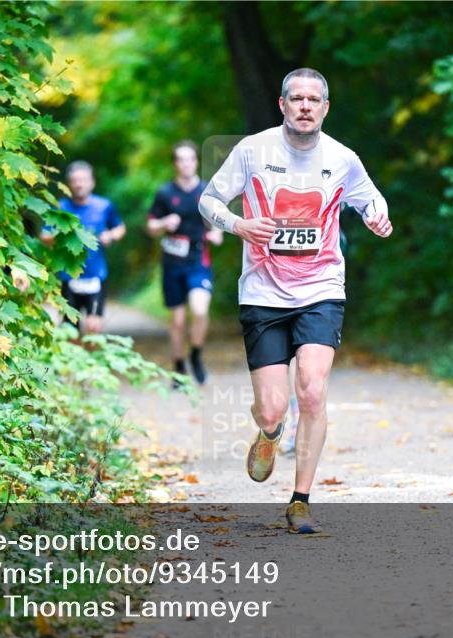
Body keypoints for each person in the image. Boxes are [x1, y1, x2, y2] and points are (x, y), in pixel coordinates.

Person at [199, 67, 392, 533]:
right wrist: (239, 225)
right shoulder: (252, 151)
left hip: (322, 289)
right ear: (282, 105)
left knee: (312, 388)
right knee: (272, 407)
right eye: (296, 98)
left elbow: (371, 199)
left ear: (325, 108)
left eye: (314, 100)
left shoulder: (343, 159)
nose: (305, 106)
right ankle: (269, 432)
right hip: (263, 292)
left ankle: (300, 501)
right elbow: (209, 201)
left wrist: (376, 213)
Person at [147, 140, 223, 384]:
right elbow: (150, 226)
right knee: (178, 321)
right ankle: (179, 366)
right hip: (172, 263)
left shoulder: (206, 190)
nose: (186, 163)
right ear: (175, 164)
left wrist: (217, 233)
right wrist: (162, 224)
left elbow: (216, 220)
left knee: (200, 310)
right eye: (181, 159)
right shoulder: (165, 193)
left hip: (198, 259)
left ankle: (196, 355)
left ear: (196, 162)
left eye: (190, 158)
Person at [45, 161, 126, 334]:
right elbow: (44, 236)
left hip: (96, 275)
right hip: (68, 276)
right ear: (69, 184)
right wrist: (63, 236)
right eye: (75, 180)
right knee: (70, 329)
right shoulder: (60, 208)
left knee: (93, 327)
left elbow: (120, 228)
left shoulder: (104, 206)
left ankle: (91, 360)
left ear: (92, 182)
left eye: (83, 180)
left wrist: (110, 236)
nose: (79, 184)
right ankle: (74, 361)